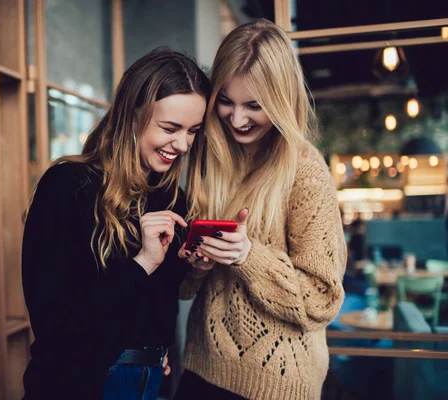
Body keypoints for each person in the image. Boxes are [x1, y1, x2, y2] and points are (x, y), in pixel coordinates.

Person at [21, 47, 210, 399]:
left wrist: (192, 265)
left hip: (149, 386)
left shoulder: (171, 199)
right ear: (133, 115)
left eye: (193, 130)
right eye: (170, 128)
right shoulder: (66, 186)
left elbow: (154, 311)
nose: (183, 144)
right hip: (73, 385)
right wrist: (144, 263)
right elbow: (55, 322)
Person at [176, 20, 347, 400]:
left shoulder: (305, 173)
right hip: (202, 368)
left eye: (254, 106)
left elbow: (322, 299)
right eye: (226, 101)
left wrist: (247, 255)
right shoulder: (211, 161)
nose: (237, 119)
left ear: (282, 100)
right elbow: (186, 290)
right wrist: (197, 263)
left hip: (279, 384)